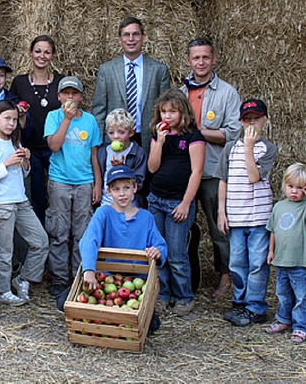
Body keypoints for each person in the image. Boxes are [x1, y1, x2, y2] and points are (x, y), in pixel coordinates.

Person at [181, 38, 241, 298]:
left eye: (205, 57)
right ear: (188, 61)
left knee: (220, 230)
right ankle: (185, 280)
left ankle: (226, 278)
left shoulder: (227, 93)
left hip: (214, 171)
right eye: (196, 58)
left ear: (213, 59)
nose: (201, 62)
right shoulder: (181, 93)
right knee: (183, 228)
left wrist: (197, 133)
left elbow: (234, 132)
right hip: (185, 171)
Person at [0, 100, 48, 306]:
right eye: (6, 118)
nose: (11, 123)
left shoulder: (16, 143)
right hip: (2, 204)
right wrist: (6, 163)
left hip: (21, 201)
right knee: (4, 250)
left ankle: (23, 278)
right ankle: (1, 290)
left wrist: (25, 162)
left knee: (41, 241)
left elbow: (22, 174)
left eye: (14, 119)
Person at [216, 99, 277, 327]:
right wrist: (222, 212)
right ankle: (240, 302)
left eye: (256, 119)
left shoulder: (268, 149)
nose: (252, 123)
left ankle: (255, 307)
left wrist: (249, 147)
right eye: (247, 119)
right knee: (237, 262)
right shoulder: (230, 148)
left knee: (257, 263)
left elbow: (254, 176)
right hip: (237, 216)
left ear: (265, 121)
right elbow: (223, 180)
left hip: (259, 218)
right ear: (241, 122)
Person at [148, 89, 205, 316]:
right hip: (156, 200)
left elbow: (197, 172)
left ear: (183, 112)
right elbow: (152, 168)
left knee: (177, 253)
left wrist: (185, 203)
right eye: (163, 111)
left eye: (173, 111)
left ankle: (184, 296)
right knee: (159, 252)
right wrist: (159, 143)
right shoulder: (158, 135)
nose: (167, 116)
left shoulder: (193, 137)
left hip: (177, 202)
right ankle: (162, 294)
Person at [44, 77, 102, 295]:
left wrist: (97, 183)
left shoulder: (90, 121)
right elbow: (54, 146)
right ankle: (59, 278)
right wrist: (66, 120)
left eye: (74, 93)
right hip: (60, 181)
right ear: (59, 96)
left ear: (80, 96)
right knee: (59, 231)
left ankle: (79, 275)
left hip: (84, 182)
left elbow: (94, 155)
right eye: (65, 93)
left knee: (82, 232)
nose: (70, 97)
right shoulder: (54, 117)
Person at [79, 165, 168, 289]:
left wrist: (157, 251)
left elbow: (160, 245)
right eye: (116, 189)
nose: (122, 194)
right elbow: (89, 240)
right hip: (107, 278)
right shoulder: (103, 213)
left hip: (138, 281)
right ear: (109, 191)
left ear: (135, 188)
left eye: (126, 188)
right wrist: (88, 269)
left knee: (142, 307)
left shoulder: (146, 217)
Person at [91, 16, 171, 154]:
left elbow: (166, 109)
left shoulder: (159, 70)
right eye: (126, 35)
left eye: (135, 34)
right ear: (120, 39)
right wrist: (99, 144)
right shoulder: (107, 70)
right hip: (116, 138)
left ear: (143, 37)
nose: (131, 39)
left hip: (147, 138)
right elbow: (99, 109)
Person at [9, 35, 64, 224]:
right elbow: (9, 116)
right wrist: (21, 116)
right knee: (37, 195)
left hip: (57, 147)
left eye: (47, 52)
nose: (42, 56)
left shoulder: (61, 82)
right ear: (30, 53)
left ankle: (59, 235)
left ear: (53, 55)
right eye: (38, 51)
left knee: (59, 195)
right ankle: (41, 238)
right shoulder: (19, 82)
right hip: (30, 147)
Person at [265, 163, 306, 344]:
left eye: (300, 188)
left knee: (302, 296)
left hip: (301, 262)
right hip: (282, 260)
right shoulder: (279, 207)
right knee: (283, 293)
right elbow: (273, 231)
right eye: (290, 186)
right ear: (284, 185)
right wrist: (271, 251)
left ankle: (302, 326)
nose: (294, 191)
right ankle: (284, 320)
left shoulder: (305, 206)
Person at [97, 109, 147, 208]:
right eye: (111, 133)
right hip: (106, 202)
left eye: (121, 132)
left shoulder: (138, 153)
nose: (116, 136)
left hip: (129, 204)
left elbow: (139, 182)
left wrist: (122, 168)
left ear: (131, 133)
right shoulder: (103, 151)